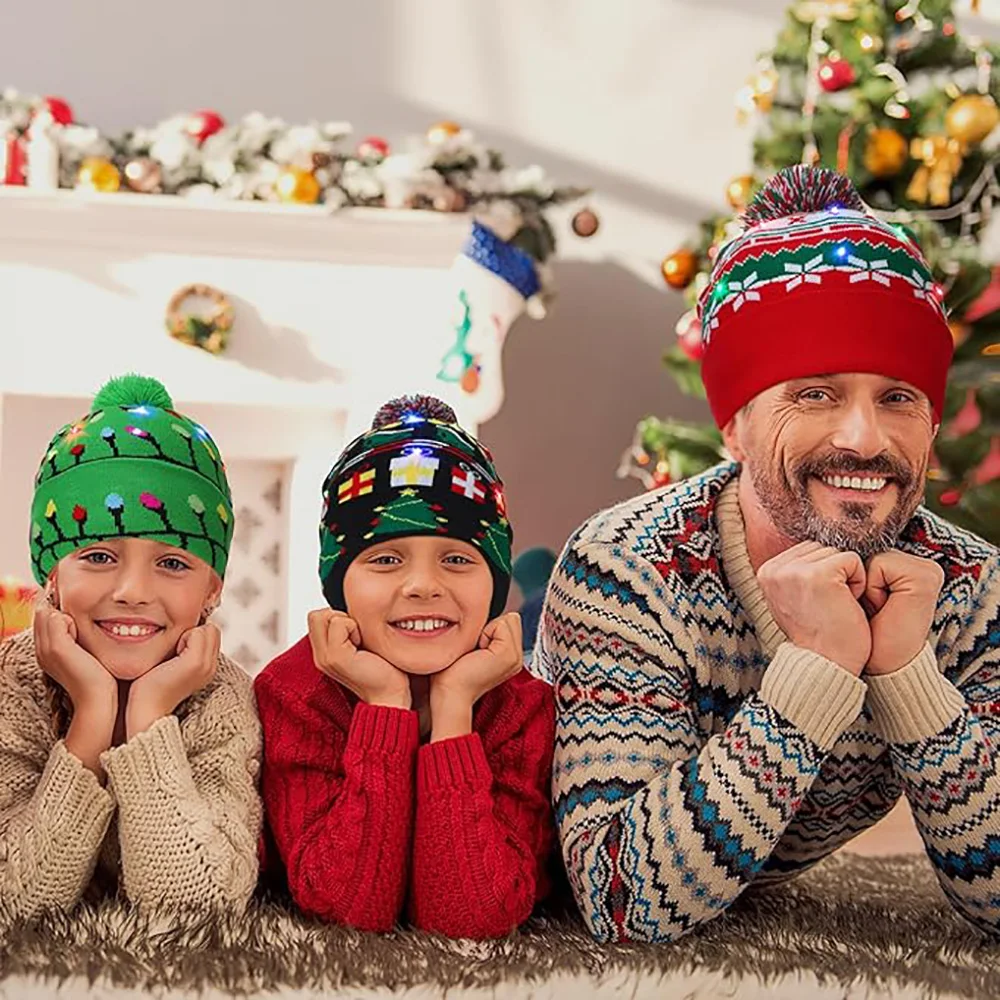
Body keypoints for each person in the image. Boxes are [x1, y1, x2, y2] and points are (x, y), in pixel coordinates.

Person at [535, 166, 1000, 941]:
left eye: (898, 397)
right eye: (813, 394)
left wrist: (909, 679)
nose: (864, 438)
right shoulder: (625, 570)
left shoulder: (969, 587)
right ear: (735, 426)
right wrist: (812, 678)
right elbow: (620, 901)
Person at [255, 395, 555, 939]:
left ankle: (537, 585)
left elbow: (472, 914)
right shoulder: (293, 692)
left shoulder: (522, 705)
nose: (421, 585)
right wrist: (386, 705)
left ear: (493, 581)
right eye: (386, 559)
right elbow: (347, 906)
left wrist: (454, 709)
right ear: (339, 583)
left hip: (511, 653)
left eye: (458, 559)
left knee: (544, 618)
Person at [0, 374, 261, 920]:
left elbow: (194, 909)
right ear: (49, 576)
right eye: (98, 556)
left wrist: (148, 715)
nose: (133, 592)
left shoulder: (222, 697)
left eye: (172, 563)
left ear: (212, 589)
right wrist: (92, 713)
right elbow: (18, 900)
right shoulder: (13, 682)